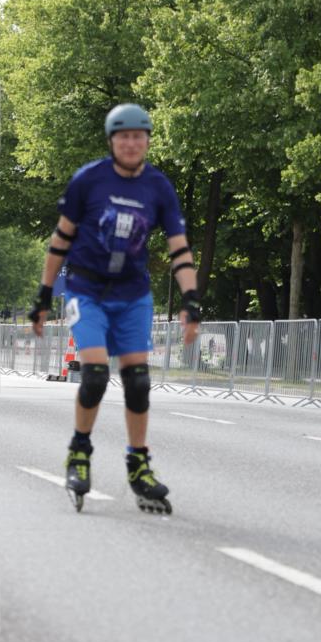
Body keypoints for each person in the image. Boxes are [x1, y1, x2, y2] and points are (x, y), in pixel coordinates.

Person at [29, 103, 201, 513]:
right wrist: (43, 295)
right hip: (86, 291)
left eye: (138, 136)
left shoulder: (159, 187)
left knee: (138, 382)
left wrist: (191, 301)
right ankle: (79, 451)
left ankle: (138, 465)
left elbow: (179, 249)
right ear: (111, 141)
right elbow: (60, 240)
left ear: (146, 141)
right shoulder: (88, 180)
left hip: (133, 296)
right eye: (123, 136)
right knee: (94, 377)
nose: (130, 143)